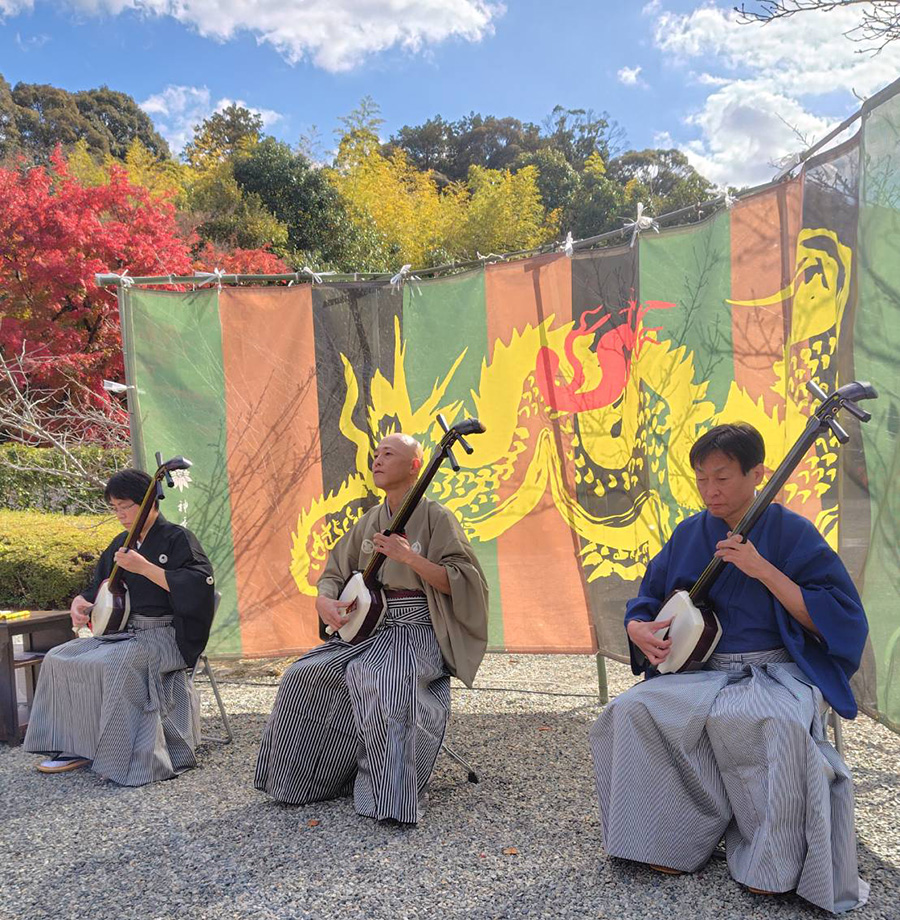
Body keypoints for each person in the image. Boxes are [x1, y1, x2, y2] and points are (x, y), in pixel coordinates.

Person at [589, 423, 869, 914]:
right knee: (630, 711)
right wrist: (637, 628)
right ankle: (666, 842)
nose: (710, 491)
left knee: (774, 722)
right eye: (701, 480)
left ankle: (774, 862)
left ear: (757, 473)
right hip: (703, 669)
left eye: (721, 478)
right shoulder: (690, 533)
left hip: (775, 669)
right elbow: (648, 598)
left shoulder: (792, 532)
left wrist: (763, 569)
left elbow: (839, 617)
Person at [255, 432, 489, 824]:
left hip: (415, 629)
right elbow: (334, 573)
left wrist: (410, 559)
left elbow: (464, 581)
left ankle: (389, 796)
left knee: (381, 678)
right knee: (303, 674)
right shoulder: (370, 521)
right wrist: (323, 601)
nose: (377, 460)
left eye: (389, 454)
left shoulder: (437, 517)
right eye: (376, 453)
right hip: (369, 627)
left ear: (415, 466)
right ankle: (308, 780)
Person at [24, 469, 216, 786]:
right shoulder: (121, 543)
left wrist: (146, 568)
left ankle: (123, 756)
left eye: (124, 506)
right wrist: (80, 603)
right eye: (114, 507)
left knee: (115, 663)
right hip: (124, 634)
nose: (120, 514)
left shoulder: (178, 538)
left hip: (164, 634)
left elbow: (199, 586)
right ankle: (72, 745)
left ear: (147, 503)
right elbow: (96, 587)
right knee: (60, 657)